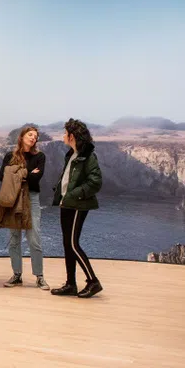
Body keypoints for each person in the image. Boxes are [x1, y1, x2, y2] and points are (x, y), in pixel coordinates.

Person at [50, 118, 103, 298]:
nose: (63, 136)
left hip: (77, 205)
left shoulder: (88, 155)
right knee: (67, 244)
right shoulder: (72, 154)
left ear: (72, 136)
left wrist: (73, 194)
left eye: (65, 133)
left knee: (73, 244)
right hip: (67, 204)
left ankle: (93, 281)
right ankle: (70, 284)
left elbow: (95, 182)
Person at [0, 126, 49, 290]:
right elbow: (2, 178)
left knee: (34, 238)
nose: (33, 138)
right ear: (21, 136)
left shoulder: (40, 156)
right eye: (30, 135)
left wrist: (16, 174)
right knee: (14, 240)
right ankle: (17, 275)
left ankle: (39, 276)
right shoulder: (9, 156)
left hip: (31, 198)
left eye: (36, 136)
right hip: (14, 199)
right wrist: (28, 173)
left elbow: (36, 179)